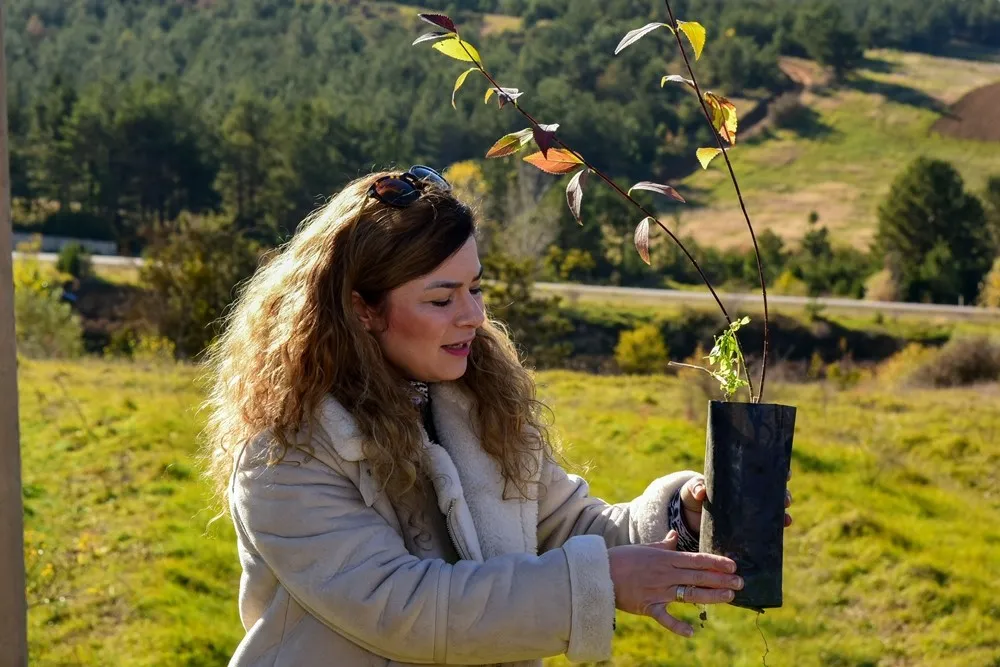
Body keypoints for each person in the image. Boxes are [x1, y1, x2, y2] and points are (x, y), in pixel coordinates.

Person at [203, 166, 793, 667]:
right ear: (362, 309)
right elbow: (404, 609)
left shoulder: (473, 405)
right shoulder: (287, 453)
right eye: (441, 299)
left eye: (475, 289)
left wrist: (682, 519)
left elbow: (565, 528)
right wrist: (602, 581)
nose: (472, 317)